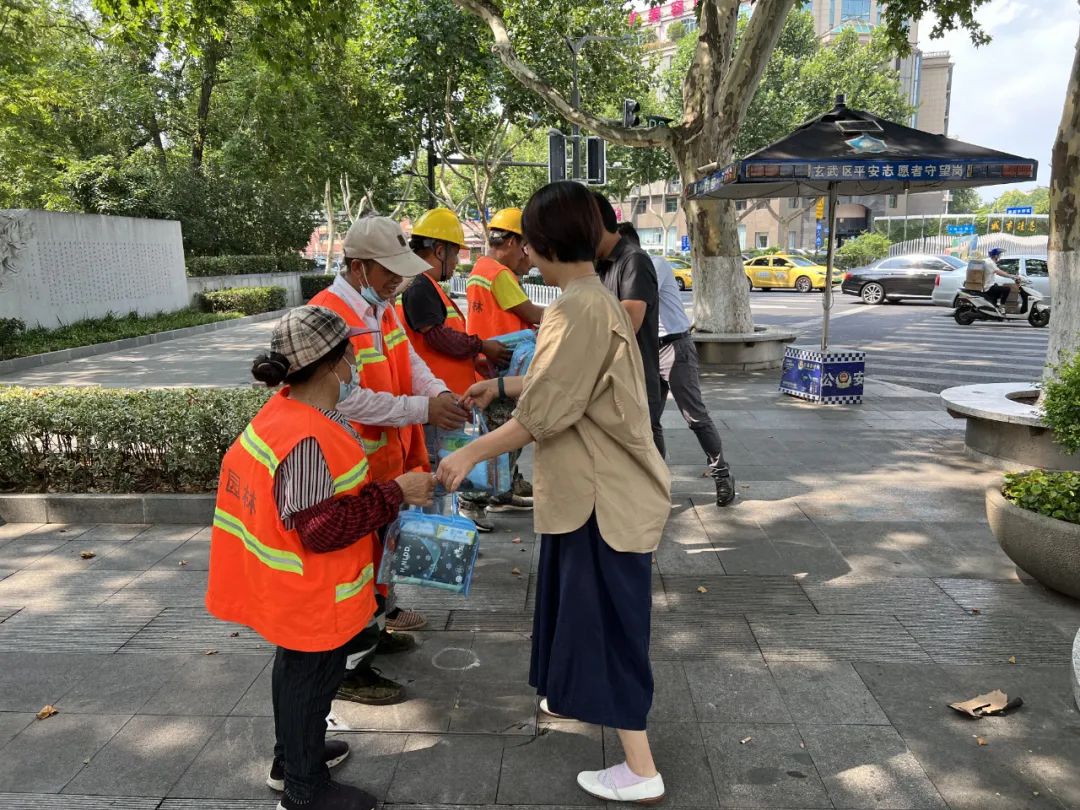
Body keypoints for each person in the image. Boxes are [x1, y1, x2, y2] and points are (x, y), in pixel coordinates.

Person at [436, 182, 671, 805]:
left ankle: (641, 769)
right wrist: (501, 386)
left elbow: (548, 411)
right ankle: (574, 697)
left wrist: (469, 453)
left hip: (602, 498)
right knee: (579, 612)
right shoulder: (590, 299)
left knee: (609, 624)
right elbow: (563, 383)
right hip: (589, 495)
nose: (523, 254)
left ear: (542, 244)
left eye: (527, 242)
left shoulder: (578, 308)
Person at [206, 305, 435, 810]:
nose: (356, 363)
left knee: (295, 675)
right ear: (334, 364)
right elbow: (323, 528)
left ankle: (290, 760)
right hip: (310, 593)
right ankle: (305, 789)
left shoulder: (287, 411)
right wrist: (396, 492)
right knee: (311, 682)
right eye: (351, 353)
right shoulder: (307, 438)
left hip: (289, 587)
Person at [308, 215, 468, 704]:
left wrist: (438, 393)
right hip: (346, 468)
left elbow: (411, 363)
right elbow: (347, 398)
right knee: (355, 569)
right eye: (388, 272)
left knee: (381, 558)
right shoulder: (328, 315)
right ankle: (350, 668)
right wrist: (423, 409)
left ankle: (375, 631)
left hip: (384, 464)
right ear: (358, 266)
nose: (396, 281)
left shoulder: (383, 308)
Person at [398, 207, 512, 529]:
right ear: (439, 250)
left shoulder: (427, 285)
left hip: (445, 400)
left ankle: (441, 532)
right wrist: (482, 346)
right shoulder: (419, 285)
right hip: (438, 402)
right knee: (439, 475)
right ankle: (436, 537)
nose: (457, 261)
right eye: (454, 253)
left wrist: (474, 359)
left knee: (445, 475)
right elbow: (437, 337)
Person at [617, 222, 736, 507]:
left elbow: (627, 304)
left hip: (675, 347)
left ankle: (721, 473)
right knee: (650, 420)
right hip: (648, 349)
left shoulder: (651, 264)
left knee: (694, 416)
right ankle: (656, 483)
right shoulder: (625, 270)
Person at [463, 206, 543, 517]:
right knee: (503, 437)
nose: (527, 255)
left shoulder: (480, 269)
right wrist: (570, 313)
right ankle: (473, 501)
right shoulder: (500, 274)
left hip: (490, 365)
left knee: (501, 433)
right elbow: (531, 313)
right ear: (510, 242)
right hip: (507, 369)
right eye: (525, 246)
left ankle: (503, 491)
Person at [592, 192, 664, 453]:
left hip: (635, 381)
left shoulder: (634, 260)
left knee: (643, 457)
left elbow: (629, 321)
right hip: (614, 380)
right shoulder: (603, 265)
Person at [984, 248, 1027, 313]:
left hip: (987, 285)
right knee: (1006, 289)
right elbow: (999, 272)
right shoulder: (990, 263)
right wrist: (1012, 276)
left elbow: (998, 271)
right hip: (987, 287)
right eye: (999, 255)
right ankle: (1002, 307)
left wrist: (1011, 276)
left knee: (997, 286)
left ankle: (994, 305)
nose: (1000, 257)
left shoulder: (989, 261)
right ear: (996, 256)